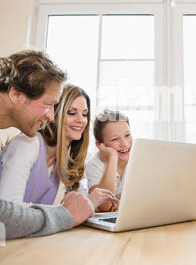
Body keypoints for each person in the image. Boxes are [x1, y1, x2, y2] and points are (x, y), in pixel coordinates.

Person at [0, 50, 114, 239]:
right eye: (48, 104)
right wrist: (67, 212)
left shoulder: (65, 157)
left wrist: (81, 207)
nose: (50, 116)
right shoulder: (27, 143)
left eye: (85, 114)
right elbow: (5, 216)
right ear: (16, 95)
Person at [0, 83, 119, 211]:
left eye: (84, 114)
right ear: (53, 115)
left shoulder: (68, 158)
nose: (81, 120)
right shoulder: (27, 143)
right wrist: (69, 210)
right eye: (72, 113)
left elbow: (80, 204)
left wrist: (92, 203)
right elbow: (9, 209)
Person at [86, 109, 133, 211]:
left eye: (127, 135)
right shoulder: (93, 166)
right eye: (114, 139)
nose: (125, 144)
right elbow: (105, 205)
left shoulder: (139, 158)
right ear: (100, 145)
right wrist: (112, 158)